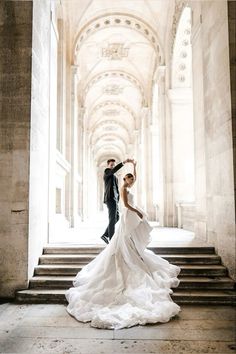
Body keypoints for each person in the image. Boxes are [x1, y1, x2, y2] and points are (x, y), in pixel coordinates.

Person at [65, 160, 181, 330]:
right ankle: (114, 243)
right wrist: (138, 211)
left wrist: (134, 166)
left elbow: (136, 179)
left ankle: (117, 243)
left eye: (131, 179)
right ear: (125, 180)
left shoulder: (129, 185)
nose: (131, 181)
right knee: (122, 237)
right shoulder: (116, 181)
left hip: (128, 216)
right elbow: (126, 205)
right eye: (129, 179)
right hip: (128, 216)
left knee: (129, 240)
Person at [101, 158, 132, 244]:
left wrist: (119, 198)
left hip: (114, 199)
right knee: (112, 219)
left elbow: (116, 188)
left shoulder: (115, 176)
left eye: (114, 165)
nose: (113, 166)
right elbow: (112, 171)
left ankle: (105, 235)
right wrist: (124, 162)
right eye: (111, 165)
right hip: (110, 198)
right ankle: (111, 240)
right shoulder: (107, 171)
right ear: (108, 166)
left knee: (116, 218)